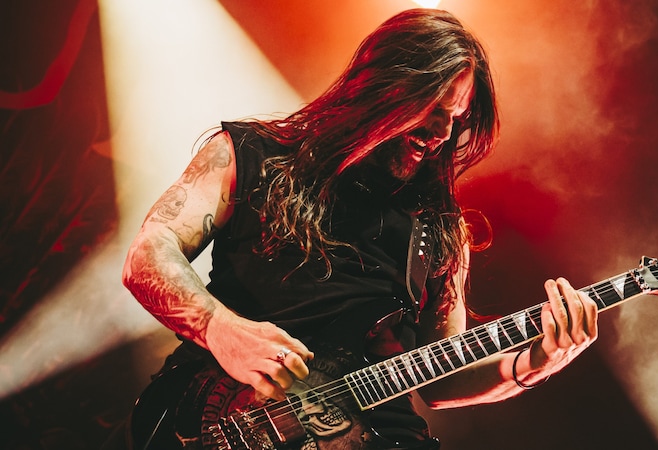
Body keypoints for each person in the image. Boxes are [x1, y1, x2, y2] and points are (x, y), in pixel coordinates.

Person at [121, 8, 598, 449]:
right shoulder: (251, 155)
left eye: (456, 118)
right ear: (384, 84)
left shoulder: (441, 230)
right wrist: (222, 330)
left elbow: (440, 376)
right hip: (219, 417)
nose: (443, 134)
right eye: (434, 107)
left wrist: (533, 364)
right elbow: (148, 253)